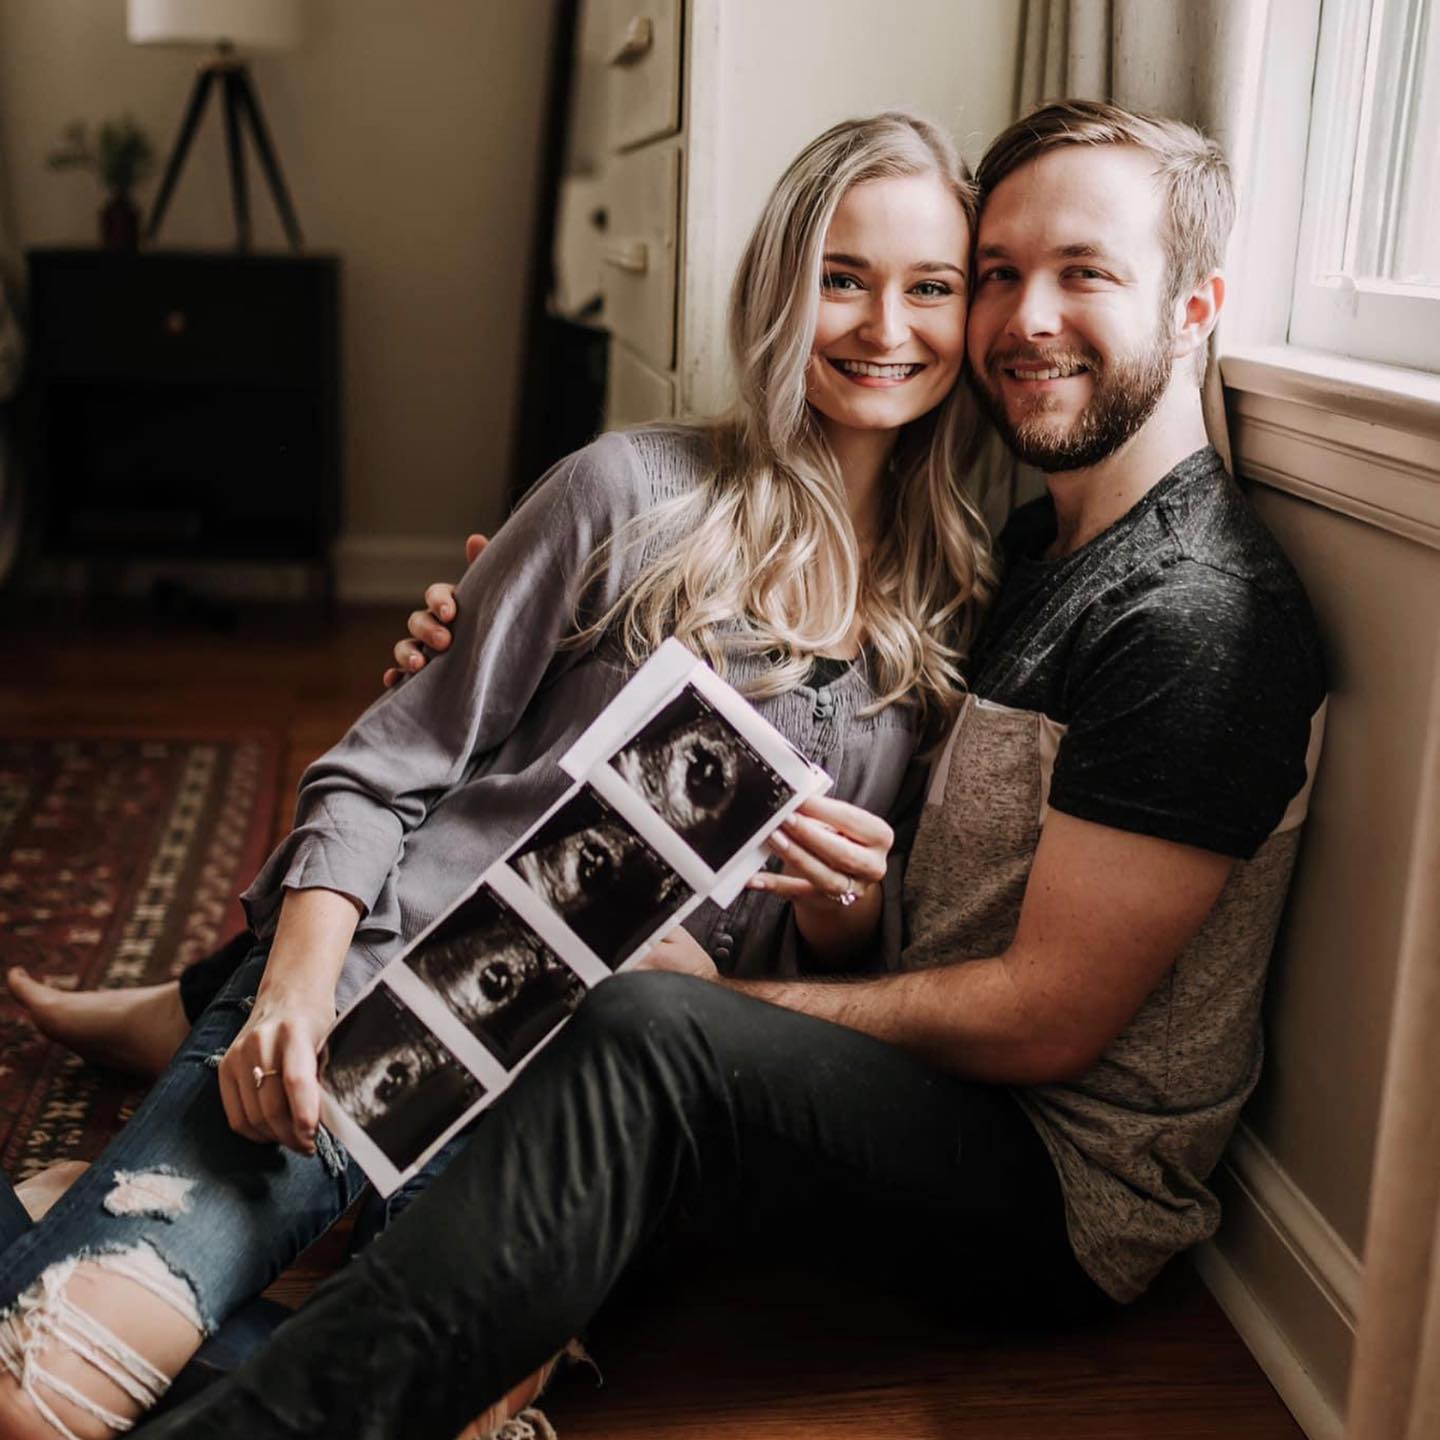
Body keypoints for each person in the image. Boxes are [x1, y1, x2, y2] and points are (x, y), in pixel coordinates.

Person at [118, 98, 1328, 1440]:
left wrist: (726, 1001)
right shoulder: (1012, 557)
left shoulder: (1195, 616)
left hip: (1054, 1179)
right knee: (506, 996)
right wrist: (485, 628)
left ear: (1197, 305)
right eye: (998, 273)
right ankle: (204, 1071)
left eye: (1082, 273)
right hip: (874, 1065)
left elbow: (1047, 1023)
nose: (1023, 318)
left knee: (637, 1030)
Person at [0, 110, 996, 1440]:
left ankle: (80, 1218)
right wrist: (290, 995)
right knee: (38, 1406)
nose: (886, 326)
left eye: (930, 286)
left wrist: (839, 910)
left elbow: (817, 976)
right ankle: (137, 1190)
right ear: (780, 288)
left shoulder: (955, 606)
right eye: (845, 277)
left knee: (437, 1411)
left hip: (583, 1124)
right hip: (392, 1004)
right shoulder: (625, 491)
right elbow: (382, 768)